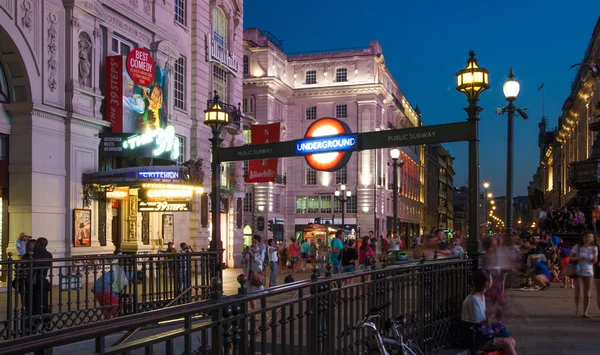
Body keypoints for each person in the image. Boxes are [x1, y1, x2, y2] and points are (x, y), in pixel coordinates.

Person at [460, 269, 517, 355]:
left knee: (511, 341)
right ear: (486, 283)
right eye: (491, 279)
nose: (492, 280)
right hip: (475, 338)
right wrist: (492, 315)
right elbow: (479, 322)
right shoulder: (473, 300)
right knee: (508, 343)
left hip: (481, 334)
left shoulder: (481, 296)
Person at [92, 251, 141, 319]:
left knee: (109, 310)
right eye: (138, 282)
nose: (136, 284)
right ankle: (114, 323)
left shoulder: (123, 273)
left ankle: (108, 324)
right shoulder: (123, 277)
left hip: (98, 288)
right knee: (115, 307)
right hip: (103, 288)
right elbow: (115, 290)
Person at [571, 231, 598, 318]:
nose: (588, 238)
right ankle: (577, 310)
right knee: (578, 291)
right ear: (583, 238)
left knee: (587, 292)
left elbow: (595, 261)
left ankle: (585, 312)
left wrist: (594, 257)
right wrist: (578, 258)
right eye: (586, 237)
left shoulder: (594, 248)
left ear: (592, 239)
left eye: (590, 237)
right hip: (578, 271)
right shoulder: (577, 247)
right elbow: (570, 258)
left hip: (589, 271)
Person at [248, 236, 265, 309]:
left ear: (258, 243)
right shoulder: (249, 250)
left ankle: (264, 311)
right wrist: (246, 254)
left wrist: (253, 256)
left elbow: (261, 261)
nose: (254, 244)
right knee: (250, 296)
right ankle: (253, 314)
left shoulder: (261, 251)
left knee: (262, 294)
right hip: (250, 274)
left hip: (258, 274)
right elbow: (243, 262)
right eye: (253, 242)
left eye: (255, 242)